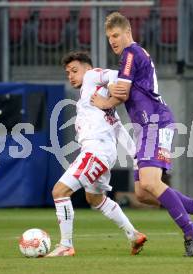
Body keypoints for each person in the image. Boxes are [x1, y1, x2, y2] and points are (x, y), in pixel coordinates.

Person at [91, 12, 193, 257]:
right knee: (143, 193)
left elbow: (123, 92)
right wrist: (114, 89)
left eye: (116, 35)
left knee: (151, 183)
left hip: (154, 123)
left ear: (128, 32)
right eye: (109, 38)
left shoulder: (130, 53)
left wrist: (103, 101)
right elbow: (123, 89)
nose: (113, 41)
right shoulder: (137, 54)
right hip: (146, 126)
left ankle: (191, 231)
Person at [46, 51, 147, 257]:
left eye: (75, 70)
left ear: (87, 69)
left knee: (59, 192)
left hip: (95, 151)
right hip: (103, 154)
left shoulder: (92, 78)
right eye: (68, 73)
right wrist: (136, 158)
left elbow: (114, 74)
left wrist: (112, 87)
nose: (71, 75)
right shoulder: (100, 101)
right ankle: (134, 234)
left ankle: (66, 245)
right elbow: (120, 130)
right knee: (95, 199)